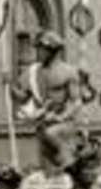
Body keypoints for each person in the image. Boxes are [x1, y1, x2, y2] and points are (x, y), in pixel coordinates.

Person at [10, 31, 81, 173]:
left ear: (52, 50)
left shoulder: (68, 71)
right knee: (47, 167)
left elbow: (76, 102)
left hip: (62, 125)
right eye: (37, 49)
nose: (38, 53)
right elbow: (23, 97)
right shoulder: (33, 71)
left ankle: (71, 170)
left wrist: (62, 117)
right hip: (42, 124)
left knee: (61, 154)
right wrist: (9, 86)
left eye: (41, 49)